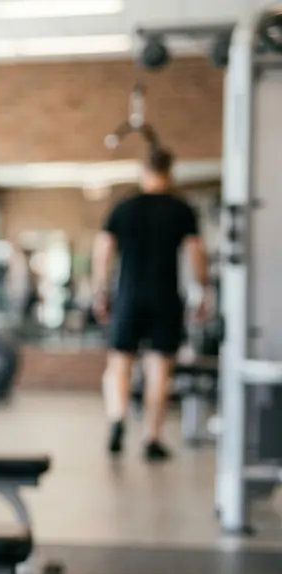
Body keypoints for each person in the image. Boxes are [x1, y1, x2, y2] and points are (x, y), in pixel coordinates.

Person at [92, 147, 209, 461]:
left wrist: (100, 291)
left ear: (143, 171)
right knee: (159, 370)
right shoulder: (180, 209)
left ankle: (117, 418)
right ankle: (152, 438)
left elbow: (102, 251)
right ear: (170, 172)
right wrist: (202, 290)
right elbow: (196, 254)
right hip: (165, 297)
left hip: (128, 295)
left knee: (119, 365)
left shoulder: (125, 207)